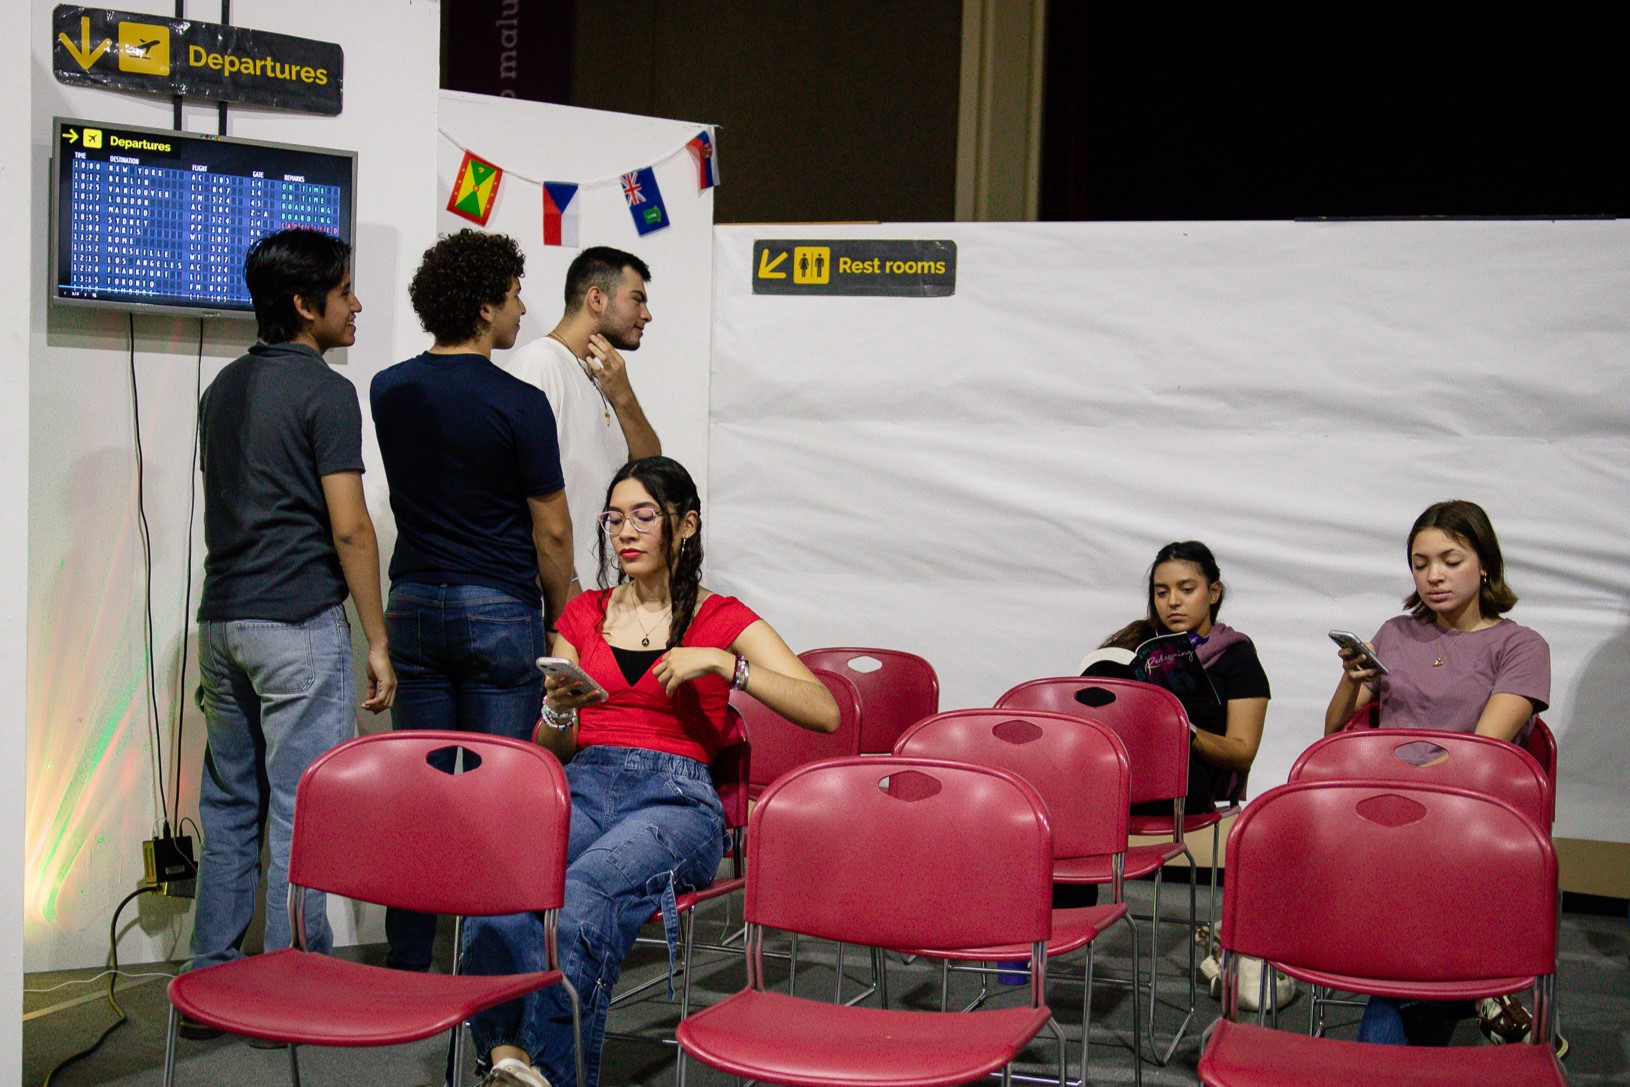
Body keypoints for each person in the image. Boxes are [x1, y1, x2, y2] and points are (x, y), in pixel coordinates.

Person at [461, 456, 840, 1087]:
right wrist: (556, 710)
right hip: (583, 783)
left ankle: (553, 1074)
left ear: (685, 525)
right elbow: (551, 750)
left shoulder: (722, 618)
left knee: (581, 896)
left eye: (644, 517)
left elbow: (823, 710)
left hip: (675, 801)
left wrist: (727, 666)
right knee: (501, 881)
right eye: (615, 519)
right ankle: (505, 1057)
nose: (626, 533)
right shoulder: (583, 614)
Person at [189, 229, 395, 1008]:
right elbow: (350, 527)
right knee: (302, 814)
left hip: (223, 622)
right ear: (307, 305)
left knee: (231, 804)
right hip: (297, 624)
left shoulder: (223, 388)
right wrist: (377, 638)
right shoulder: (327, 391)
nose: (358, 305)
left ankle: (209, 979)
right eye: (346, 292)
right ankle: (285, 987)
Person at [370, 229, 577, 972]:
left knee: (421, 793)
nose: (524, 308)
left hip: (415, 602)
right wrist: (566, 614)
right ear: (487, 305)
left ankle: (407, 965)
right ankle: (492, 968)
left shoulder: (387, 389)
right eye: (517, 293)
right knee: (501, 797)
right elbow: (551, 529)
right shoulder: (520, 403)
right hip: (497, 608)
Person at [1323, 499, 1552, 1049]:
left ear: (1486, 565)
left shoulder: (1520, 645)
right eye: (1421, 563)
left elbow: (1483, 753)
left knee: (1401, 934)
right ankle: (1471, 990)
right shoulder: (1396, 633)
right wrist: (1352, 680)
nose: (1434, 575)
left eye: (1450, 559)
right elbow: (1336, 736)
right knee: (1405, 930)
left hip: (1471, 821)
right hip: (1390, 816)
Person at [500, 247, 661, 581]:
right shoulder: (539, 365)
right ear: (596, 299)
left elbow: (650, 470)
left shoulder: (606, 377)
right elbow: (518, 500)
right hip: (558, 601)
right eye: (636, 299)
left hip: (600, 599)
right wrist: (562, 602)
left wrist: (624, 395)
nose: (647, 315)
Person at [1093, 540, 1271, 815]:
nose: (1173, 602)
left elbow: (1243, 750)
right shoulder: (1138, 643)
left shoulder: (1236, 656)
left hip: (1188, 783)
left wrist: (1187, 732)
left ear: (1213, 593)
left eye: (1186, 590)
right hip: (1123, 772)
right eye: (1161, 593)